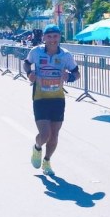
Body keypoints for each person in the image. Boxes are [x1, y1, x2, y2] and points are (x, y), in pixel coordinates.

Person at [23, 24, 80, 176]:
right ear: (44, 38)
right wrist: (29, 74)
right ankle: (37, 147)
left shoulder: (66, 55)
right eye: (49, 36)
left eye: (55, 36)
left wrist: (70, 77)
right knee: (45, 134)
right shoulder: (36, 52)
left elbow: (77, 73)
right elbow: (26, 63)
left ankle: (47, 161)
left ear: (59, 37)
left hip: (58, 99)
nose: (52, 40)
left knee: (54, 135)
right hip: (40, 97)